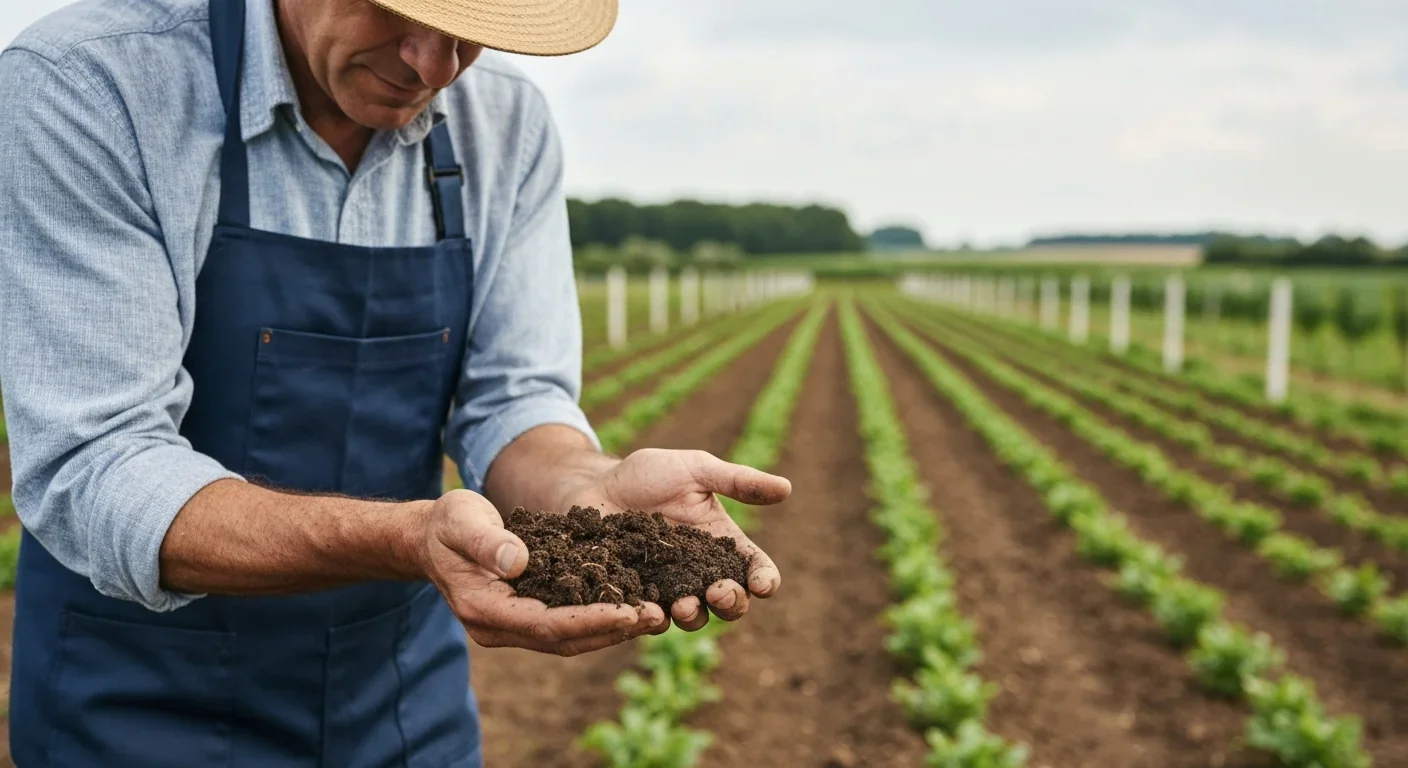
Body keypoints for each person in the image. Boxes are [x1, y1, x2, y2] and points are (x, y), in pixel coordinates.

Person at [0, 0, 788, 764]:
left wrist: (595, 490)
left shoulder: (503, 122)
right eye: (396, 13)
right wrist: (409, 537)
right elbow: (97, 463)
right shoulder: (90, 85)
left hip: (399, 701)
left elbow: (511, 399)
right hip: (141, 704)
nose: (433, 67)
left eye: (469, 32)